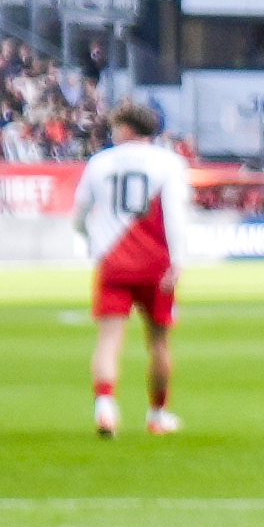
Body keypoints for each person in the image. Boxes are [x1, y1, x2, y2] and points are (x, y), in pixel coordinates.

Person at [76, 106, 187, 440]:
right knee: (159, 343)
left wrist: (92, 241)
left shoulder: (100, 162)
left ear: (126, 129)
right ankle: (158, 414)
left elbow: (80, 214)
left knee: (108, 340)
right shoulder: (168, 162)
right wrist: (178, 260)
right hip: (156, 264)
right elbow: (175, 214)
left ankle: (105, 406)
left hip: (113, 262)